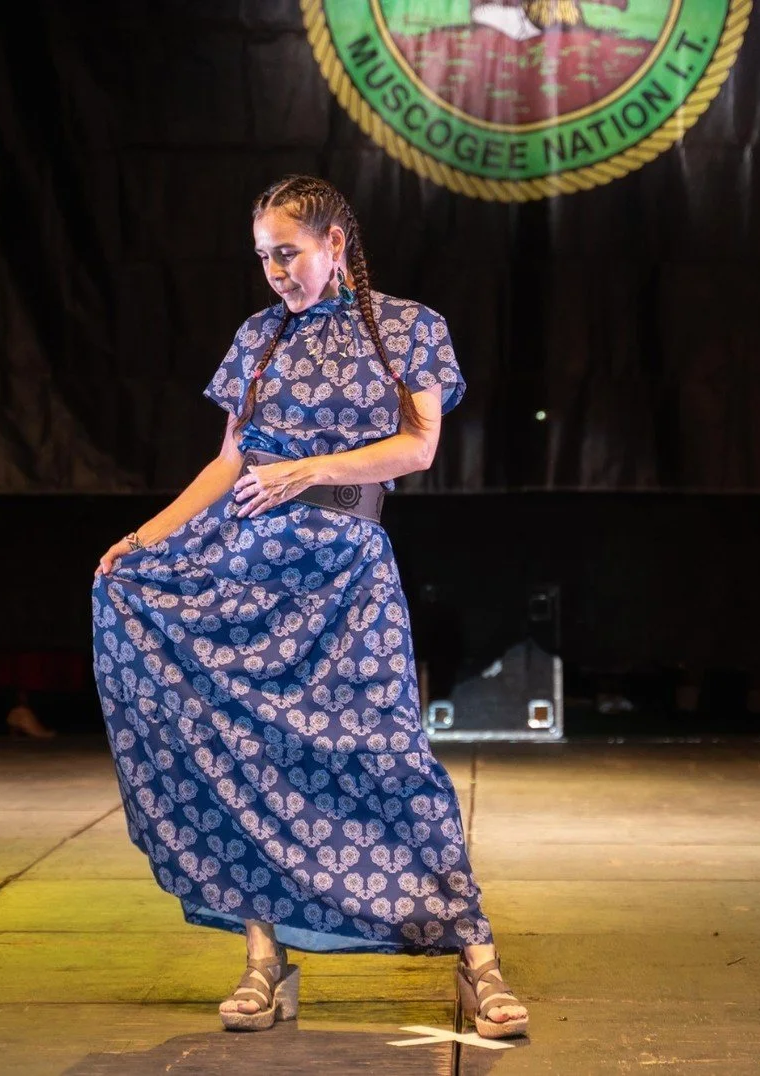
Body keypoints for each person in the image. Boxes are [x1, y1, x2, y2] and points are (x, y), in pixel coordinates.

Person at [92, 175, 527, 1039]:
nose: (276, 273)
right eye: (263, 258)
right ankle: (265, 960)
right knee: (250, 760)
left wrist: (308, 470)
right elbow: (228, 463)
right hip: (246, 569)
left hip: (345, 573)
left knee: (389, 754)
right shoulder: (259, 338)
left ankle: (477, 958)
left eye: (288, 253)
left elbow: (419, 445)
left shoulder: (407, 326)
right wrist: (143, 538)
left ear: (336, 244)